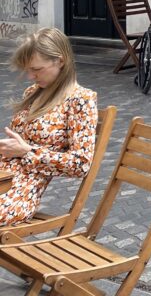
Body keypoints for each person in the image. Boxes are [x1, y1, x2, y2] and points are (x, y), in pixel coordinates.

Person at [0, 28, 98, 226]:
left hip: (19, 191)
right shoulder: (33, 92)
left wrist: (27, 152)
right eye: (28, 70)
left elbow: (80, 164)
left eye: (36, 69)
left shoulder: (80, 100)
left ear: (60, 61)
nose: (30, 76)